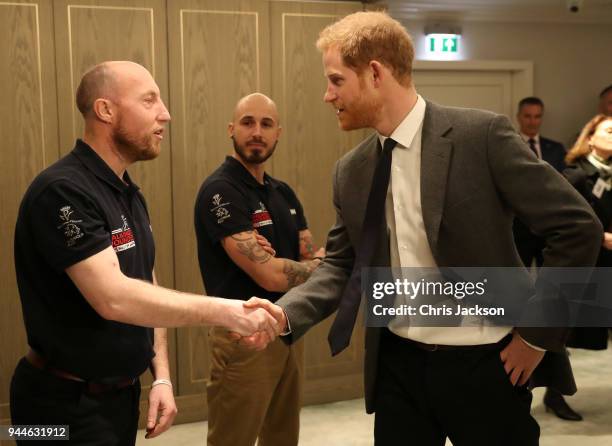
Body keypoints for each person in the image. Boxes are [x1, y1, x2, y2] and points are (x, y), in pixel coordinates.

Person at [236, 12, 602, 446]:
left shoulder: (480, 136)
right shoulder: (351, 172)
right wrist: (284, 313)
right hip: (398, 368)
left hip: (488, 364)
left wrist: (536, 336)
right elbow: (340, 265)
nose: (326, 94)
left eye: (336, 80)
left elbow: (578, 227)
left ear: (374, 73)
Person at [10, 61, 280, 445]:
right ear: (106, 110)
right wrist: (227, 311)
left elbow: (144, 283)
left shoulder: (127, 193)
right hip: (57, 406)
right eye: (149, 100)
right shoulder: (63, 191)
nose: (165, 114)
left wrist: (162, 375)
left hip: (118, 399)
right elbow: (113, 297)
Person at [194, 93, 323, 446]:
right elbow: (271, 275)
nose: (257, 132)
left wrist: (298, 265)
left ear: (278, 132)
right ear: (231, 129)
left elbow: (304, 256)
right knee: (232, 439)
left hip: (286, 329)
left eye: (266, 124)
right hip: (243, 336)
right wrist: (311, 267)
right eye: (248, 122)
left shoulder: (283, 194)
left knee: (283, 437)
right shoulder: (222, 191)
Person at [512, 97, 581, 420]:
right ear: (519, 116)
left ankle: (556, 390)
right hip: (517, 234)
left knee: (555, 303)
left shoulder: (556, 149)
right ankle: (516, 382)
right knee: (514, 303)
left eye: (538, 117)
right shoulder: (506, 145)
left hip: (552, 236)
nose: (532, 122)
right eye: (527, 116)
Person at [563, 114, 612, 352]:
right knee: (568, 333)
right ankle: (555, 386)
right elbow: (562, 220)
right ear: (590, 139)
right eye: (610, 131)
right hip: (588, 264)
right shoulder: (575, 174)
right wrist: (601, 237)